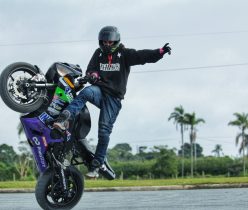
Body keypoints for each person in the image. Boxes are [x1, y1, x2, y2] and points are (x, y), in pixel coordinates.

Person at [53, 26, 171, 178]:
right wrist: (93, 75)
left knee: (103, 130)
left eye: (110, 42)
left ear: (116, 41)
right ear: (101, 42)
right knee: (86, 92)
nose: (107, 45)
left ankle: (96, 166)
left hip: (114, 99)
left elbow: (143, 56)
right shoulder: (99, 53)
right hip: (100, 92)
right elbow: (91, 69)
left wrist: (159, 52)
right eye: (105, 42)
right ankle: (64, 119)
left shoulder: (125, 54)